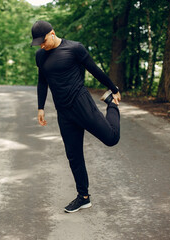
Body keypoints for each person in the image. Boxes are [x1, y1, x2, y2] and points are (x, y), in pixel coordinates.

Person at [31, 20, 121, 213]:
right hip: (63, 112)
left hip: (82, 105)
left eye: (43, 41)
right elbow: (42, 82)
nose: (41, 45)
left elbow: (94, 70)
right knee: (74, 155)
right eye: (38, 43)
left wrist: (113, 89)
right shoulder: (40, 56)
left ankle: (111, 106)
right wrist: (40, 108)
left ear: (52, 33)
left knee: (111, 139)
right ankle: (83, 197)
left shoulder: (74, 49)